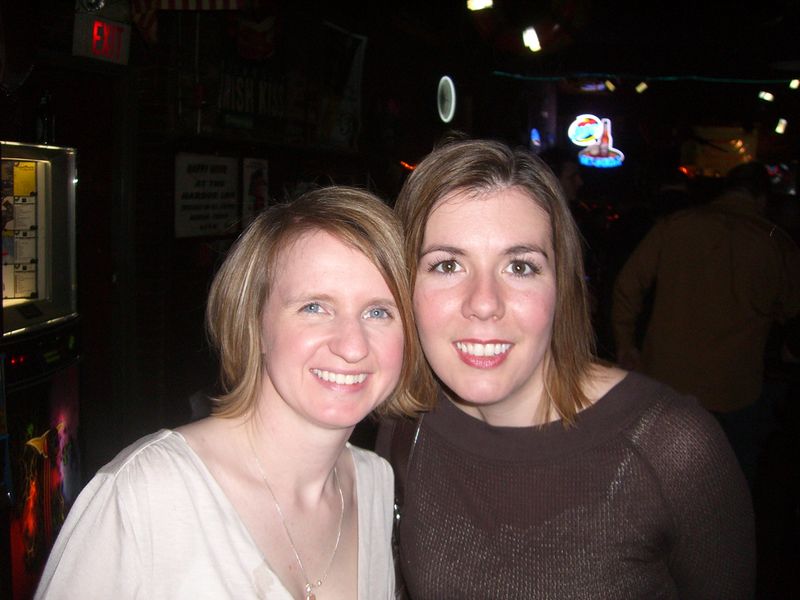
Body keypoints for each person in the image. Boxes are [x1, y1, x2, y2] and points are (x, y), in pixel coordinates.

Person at [376, 137, 755, 599]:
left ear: (562, 286)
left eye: (520, 267)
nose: (484, 304)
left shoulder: (673, 448)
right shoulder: (406, 427)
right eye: (448, 265)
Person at [35, 186, 430, 599]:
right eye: (314, 307)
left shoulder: (374, 483)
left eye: (379, 312)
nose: (352, 346)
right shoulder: (144, 494)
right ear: (254, 323)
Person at [612, 161, 800, 485]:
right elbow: (792, 310)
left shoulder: (677, 226)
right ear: (762, 198)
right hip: (735, 388)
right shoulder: (778, 243)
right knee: (729, 486)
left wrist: (625, 343)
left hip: (668, 378)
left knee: (657, 479)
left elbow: (628, 286)